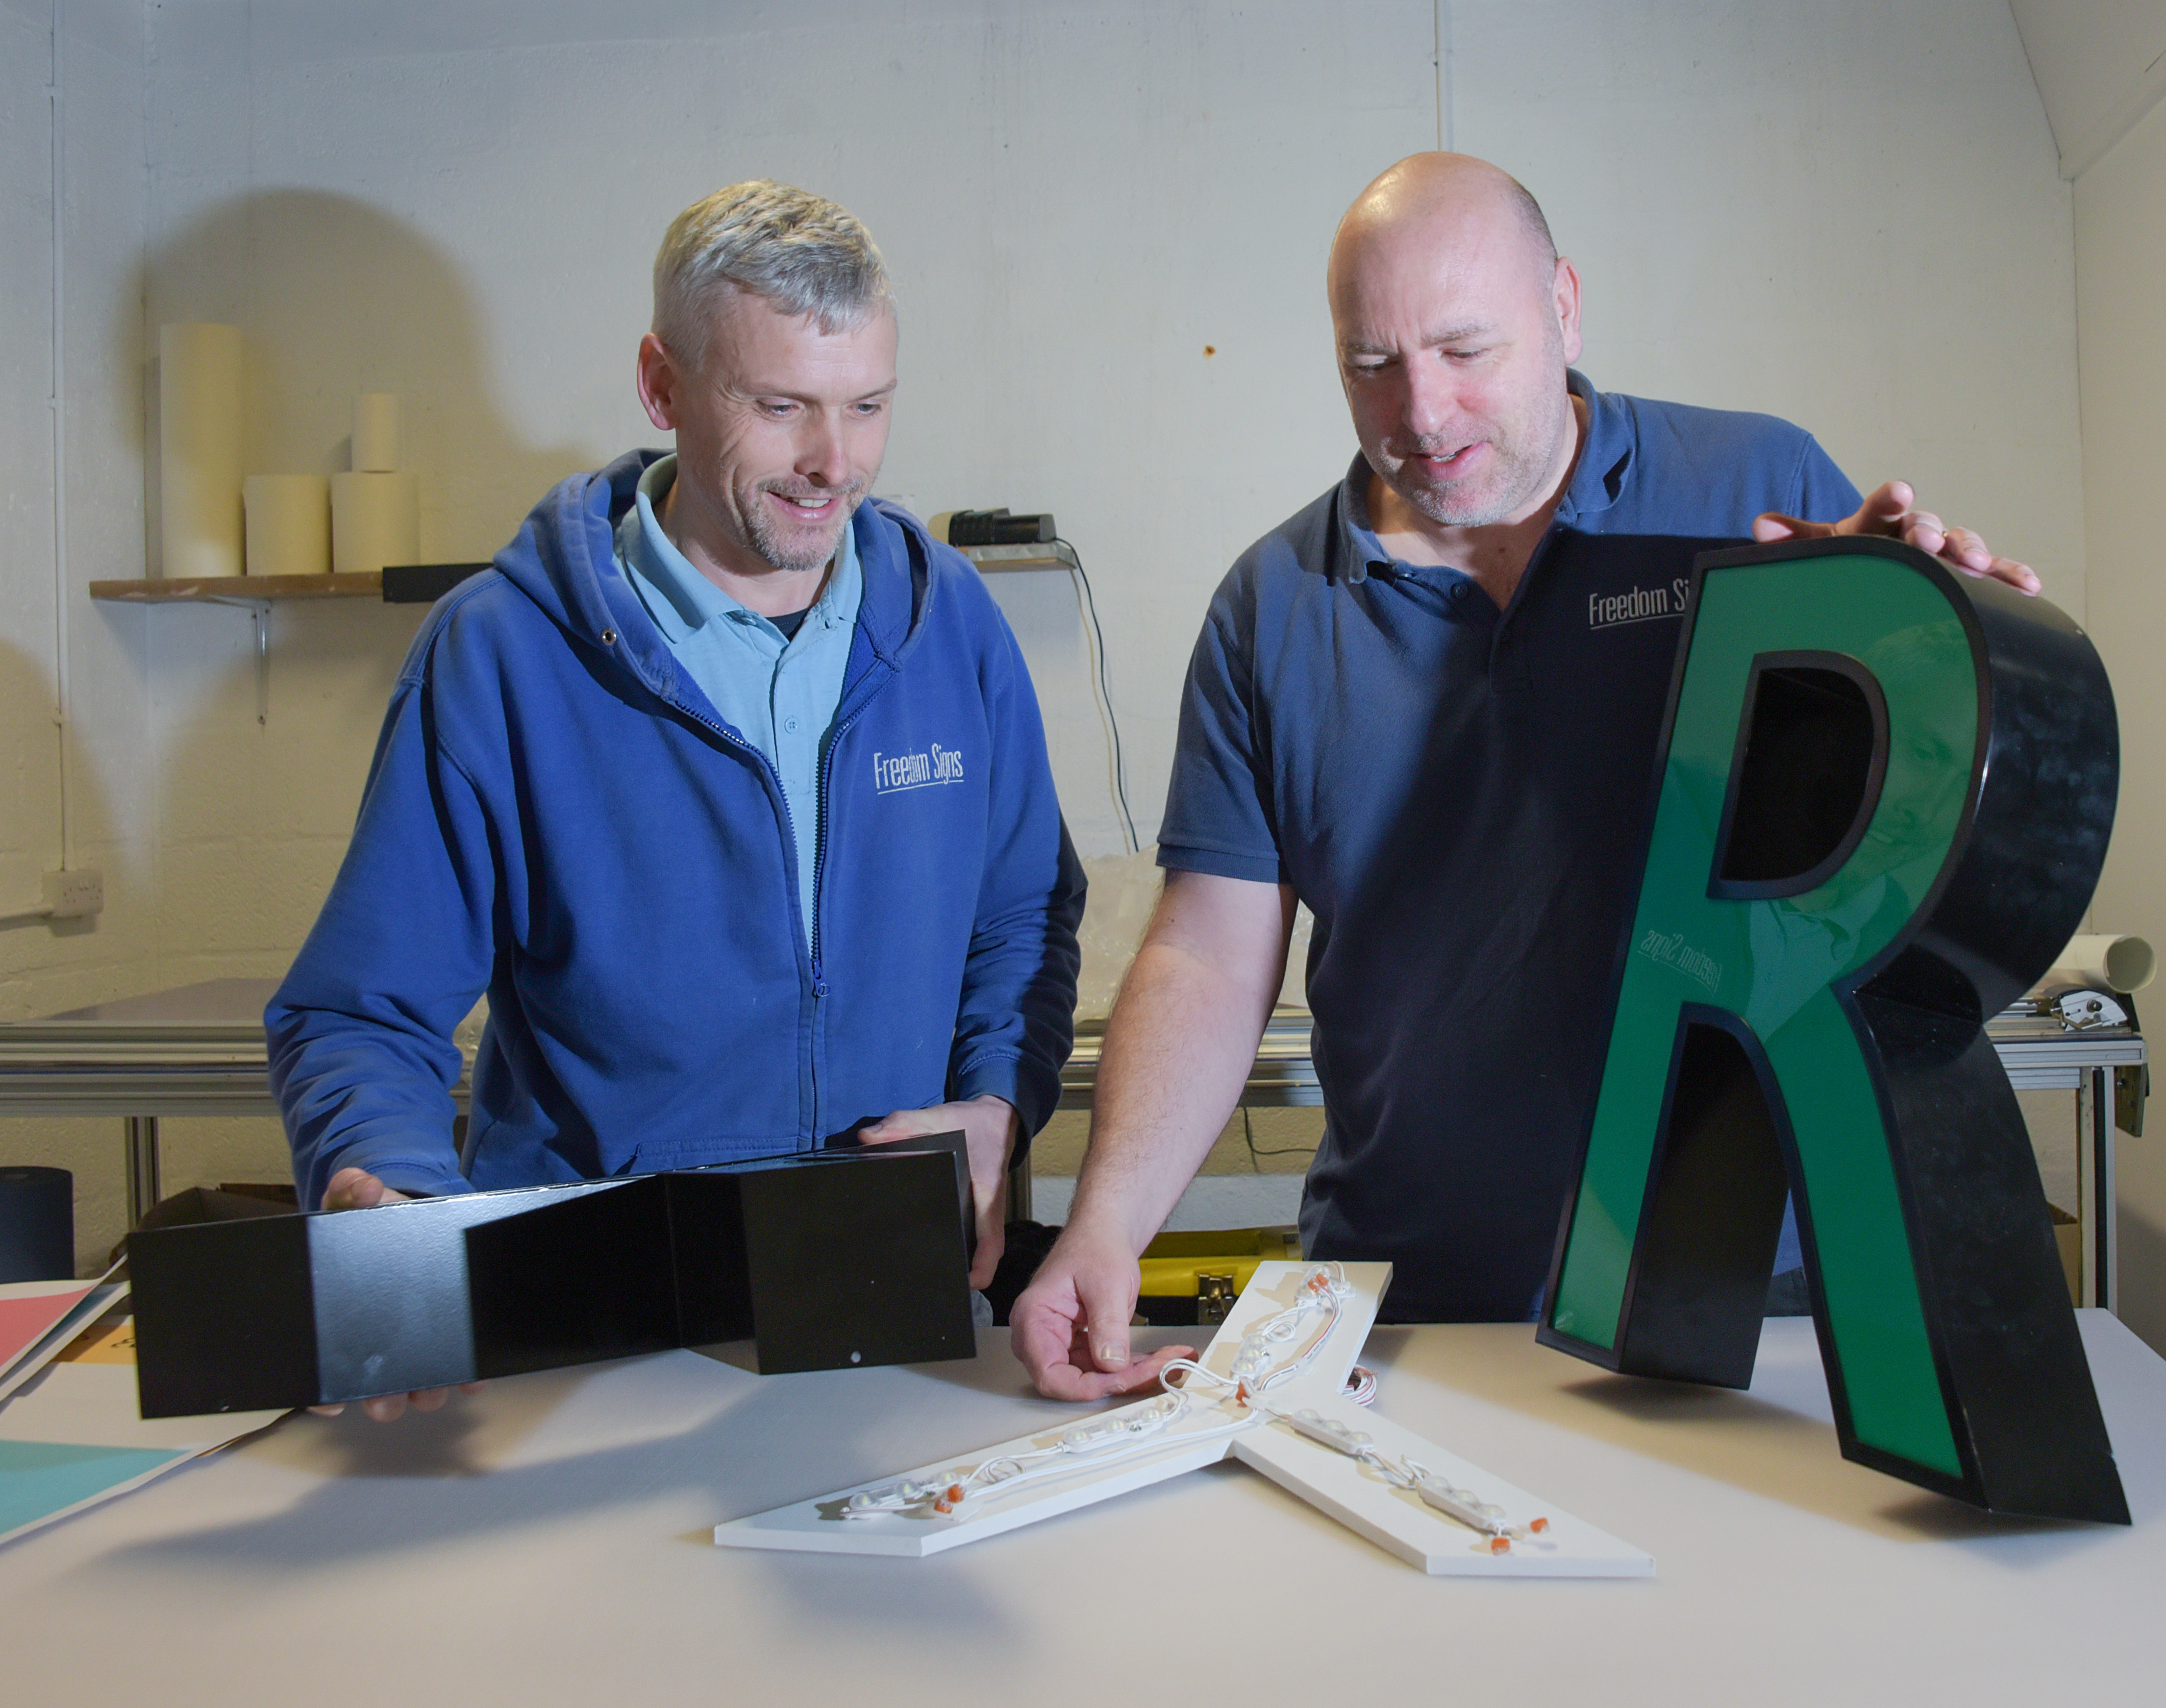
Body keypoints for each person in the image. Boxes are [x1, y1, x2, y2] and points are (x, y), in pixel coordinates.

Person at [1011, 153, 2038, 1399]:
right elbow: (1210, 956)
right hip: (1411, 1298)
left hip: (1758, 1288)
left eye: (1464, 350)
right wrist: (1105, 1227)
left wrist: (1931, 650)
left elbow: (1908, 847)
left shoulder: (1758, 495)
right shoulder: (1272, 606)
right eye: (1373, 365)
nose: (1423, 413)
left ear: (1563, 307)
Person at [269, 181, 1084, 1418]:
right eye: (781, 407)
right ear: (663, 386)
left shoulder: (948, 624)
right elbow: (360, 1009)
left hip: (879, 1307)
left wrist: (993, 1105)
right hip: (588, 1329)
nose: (836, 463)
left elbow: (1020, 916)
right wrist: (387, 1190)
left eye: (868, 406)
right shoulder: (502, 655)